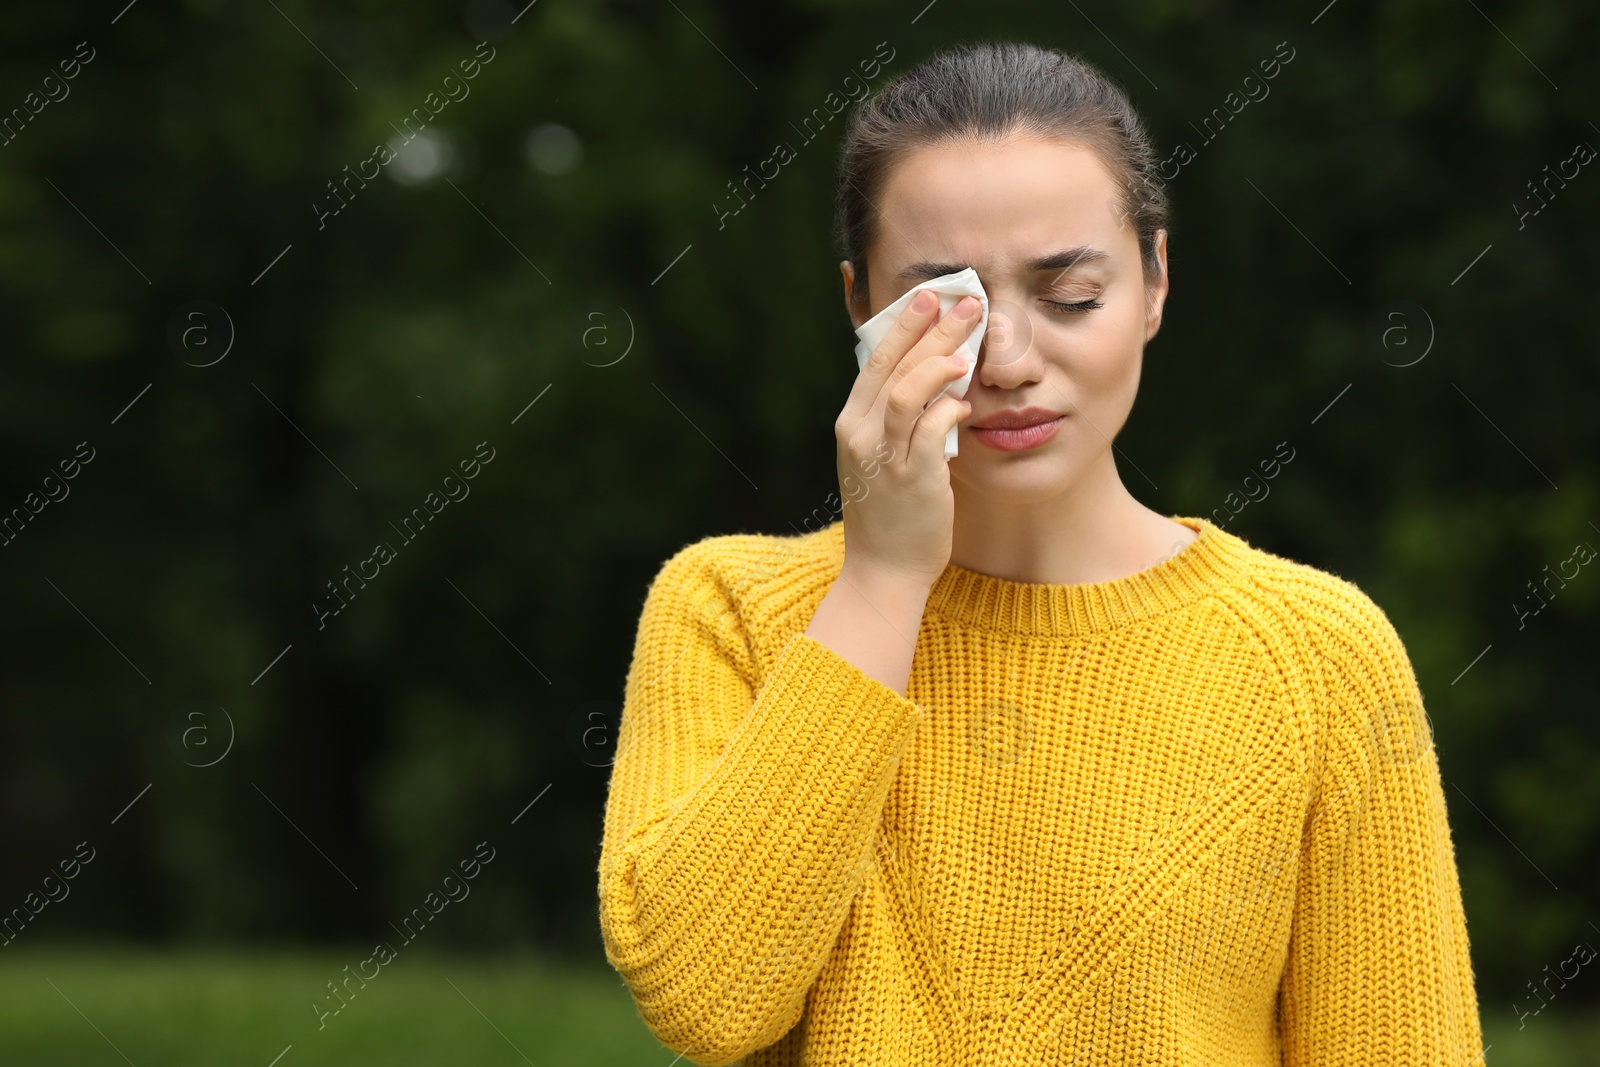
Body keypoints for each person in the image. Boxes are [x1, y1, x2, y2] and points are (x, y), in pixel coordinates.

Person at [597, 40, 1485, 1067]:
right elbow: (705, 997)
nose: (1010, 362)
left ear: (1153, 281)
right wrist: (881, 581)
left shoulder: (1321, 658)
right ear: (859, 307)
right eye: (949, 308)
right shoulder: (729, 609)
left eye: (1068, 294)